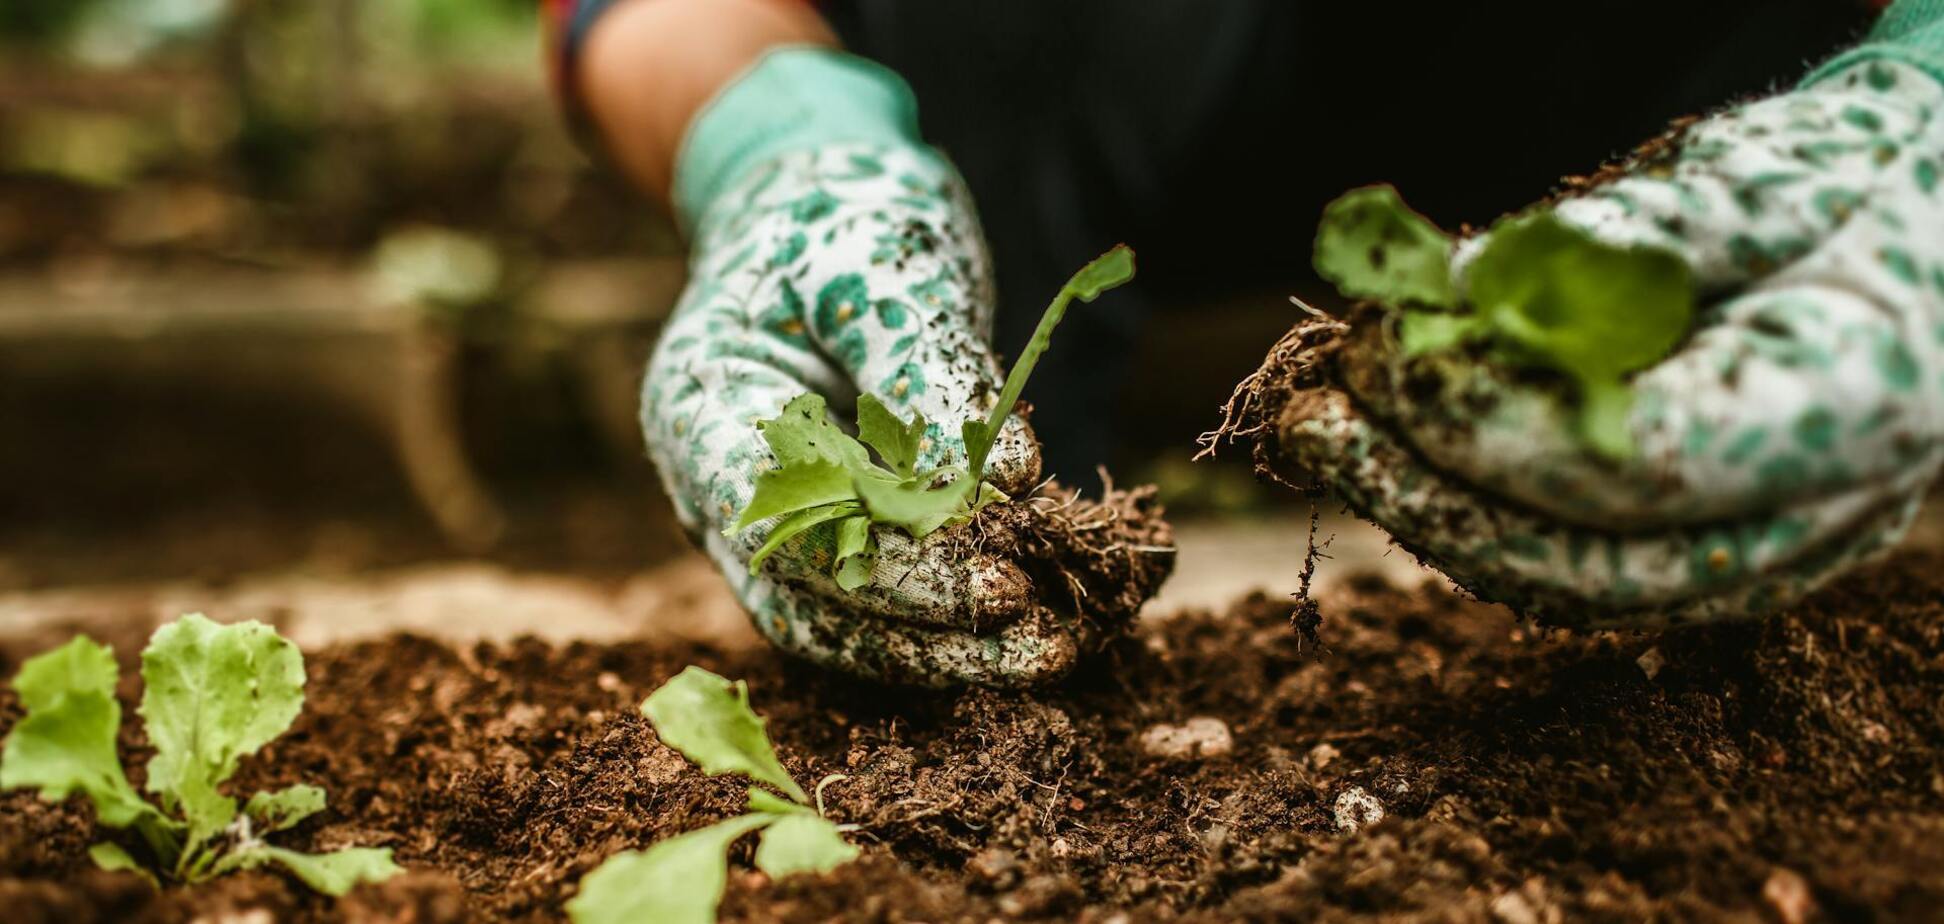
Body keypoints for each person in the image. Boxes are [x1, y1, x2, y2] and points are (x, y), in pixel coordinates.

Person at [545, 0, 1944, 686]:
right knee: (962, 572)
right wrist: (771, 134)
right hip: (1069, 79)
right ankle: (1017, 567)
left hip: (1708, 64)